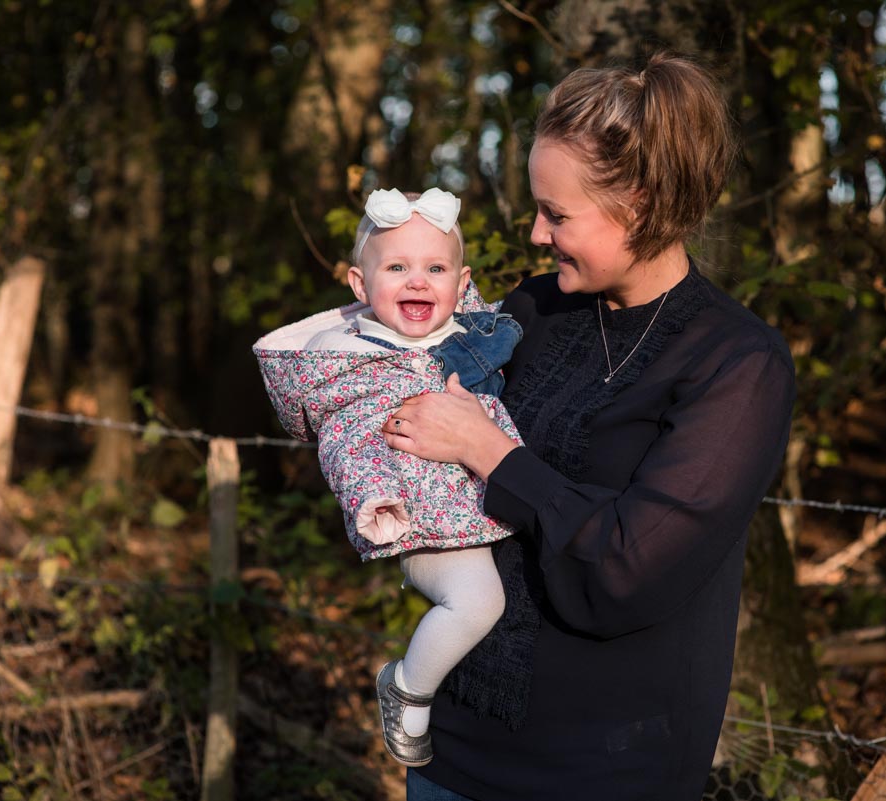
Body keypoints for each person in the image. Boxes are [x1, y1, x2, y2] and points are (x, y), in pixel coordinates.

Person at [380, 52, 796, 800]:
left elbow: (629, 569)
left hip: (606, 767)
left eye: (558, 214)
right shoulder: (536, 310)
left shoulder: (738, 364)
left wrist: (492, 453)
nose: (538, 234)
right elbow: (420, 423)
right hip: (456, 752)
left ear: (638, 203)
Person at [252, 188, 523, 768]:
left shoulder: (465, 334)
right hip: (421, 518)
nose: (418, 281)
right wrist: (372, 496)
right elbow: (347, 440)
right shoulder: (352, 357)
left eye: (435, 269)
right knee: (478, 603)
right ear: (359, 284)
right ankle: (408, 690)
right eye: (397, 268)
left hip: (482, 501)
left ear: (460, 279)